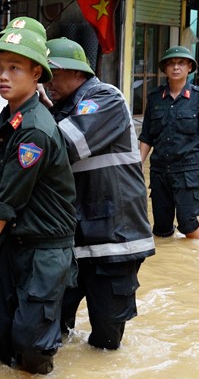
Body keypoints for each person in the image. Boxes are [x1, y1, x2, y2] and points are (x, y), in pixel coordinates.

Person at [0, 26, 78, 375]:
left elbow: (8, 199)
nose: (3, 76)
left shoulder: (34, 130)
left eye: (15, 69)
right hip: (13, 243)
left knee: (31, 346)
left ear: (36, 73)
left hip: (44, 248)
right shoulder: (11, 117)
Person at [44, 37, 156, 350]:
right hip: (74, 238)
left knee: (105, 343)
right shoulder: (60, 106)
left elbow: (60, 147)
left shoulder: (104, 98)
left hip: (114, 239)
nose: (46, 81)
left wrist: (34, 107)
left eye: (52, 74)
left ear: (78, 73)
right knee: (51, 332)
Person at [139, 45, 199, 239]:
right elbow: (147, 136)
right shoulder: (155, 98)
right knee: (161, 228)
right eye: (171, 63)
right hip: (159, 171)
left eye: (181, 63)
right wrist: (136, 165)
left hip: (187, 170)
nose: (176, 67)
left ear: (189, 67)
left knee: (188, 224)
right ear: (165, 69)